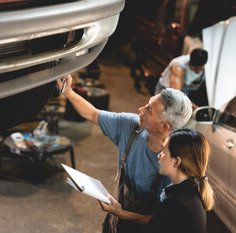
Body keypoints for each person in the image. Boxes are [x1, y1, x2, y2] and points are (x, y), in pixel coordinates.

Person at [57, 75, 193, 232]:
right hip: (115, 222)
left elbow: (160, 222)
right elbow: (94, 114)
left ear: (164, 126)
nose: (140, 110)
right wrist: (68, 92)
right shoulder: (132, 126)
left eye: (149, 110)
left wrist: (121, 213)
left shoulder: (173, 167)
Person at [100, 128, 214, 233]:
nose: (159, 155)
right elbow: (158, 223)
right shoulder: (189, 190)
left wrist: (121, 214)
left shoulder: (176, 203)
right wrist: (121, 213)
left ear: (176, 162)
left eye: (164, 151)